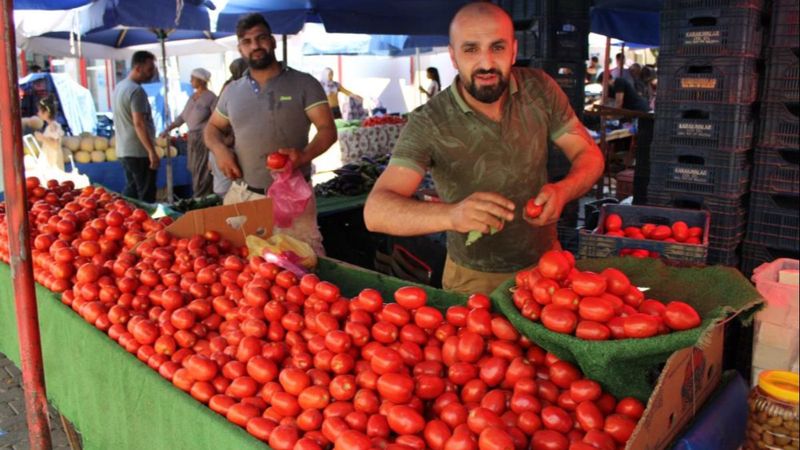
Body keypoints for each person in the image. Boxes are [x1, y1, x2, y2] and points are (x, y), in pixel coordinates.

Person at [363, 3, 604, 295]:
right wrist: (452, 216)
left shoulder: (540, 89)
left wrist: (564, 190)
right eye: (471, 49)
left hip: (548, 268)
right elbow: (375, 211)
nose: (486, 63)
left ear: (513, 51)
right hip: (474, 280)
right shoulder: (429, 122)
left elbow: (589, 155)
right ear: (453, 56)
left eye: (497, 48)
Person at [204, 13, 337, 255]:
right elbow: (211, 129)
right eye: (247, 41)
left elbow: (328, 130)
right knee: (242, 269)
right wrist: (220, 150)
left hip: (293, 199)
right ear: (240, 48)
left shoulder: (304, 84)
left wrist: (304, 156)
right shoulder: (232, 91)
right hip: (244, 196)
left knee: (303, 268)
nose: (255, 46)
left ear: (273, 41)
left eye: (261, 38)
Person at [160, 68, 216, 198]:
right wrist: (168, 129)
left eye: (193, 78)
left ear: (201, 80)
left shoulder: (210, 97)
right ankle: (199, 195)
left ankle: (202, 196)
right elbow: (182, 117)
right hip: (192, 138)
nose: (190, 81)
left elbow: (216, 119)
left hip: (203, 138)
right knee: (194, 168)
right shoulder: (192, 97)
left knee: (202, 169)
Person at [112, 50, 159, 202]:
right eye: (149, 69)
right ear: (138, 68)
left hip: (124, 150)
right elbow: (139, 123)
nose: (152, 73)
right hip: (139, 151)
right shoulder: (136, 91)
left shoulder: (119, 87)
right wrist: (151, 151)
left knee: (131, 193)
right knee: (145, 197)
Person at [33, 95, 64, 170]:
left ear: (46, 113)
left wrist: (42, 138)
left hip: (52, 160)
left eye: (40, 111)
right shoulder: (51, 126)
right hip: (51, 158)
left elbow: (55, 144)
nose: (38, 113)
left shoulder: (53, 126)